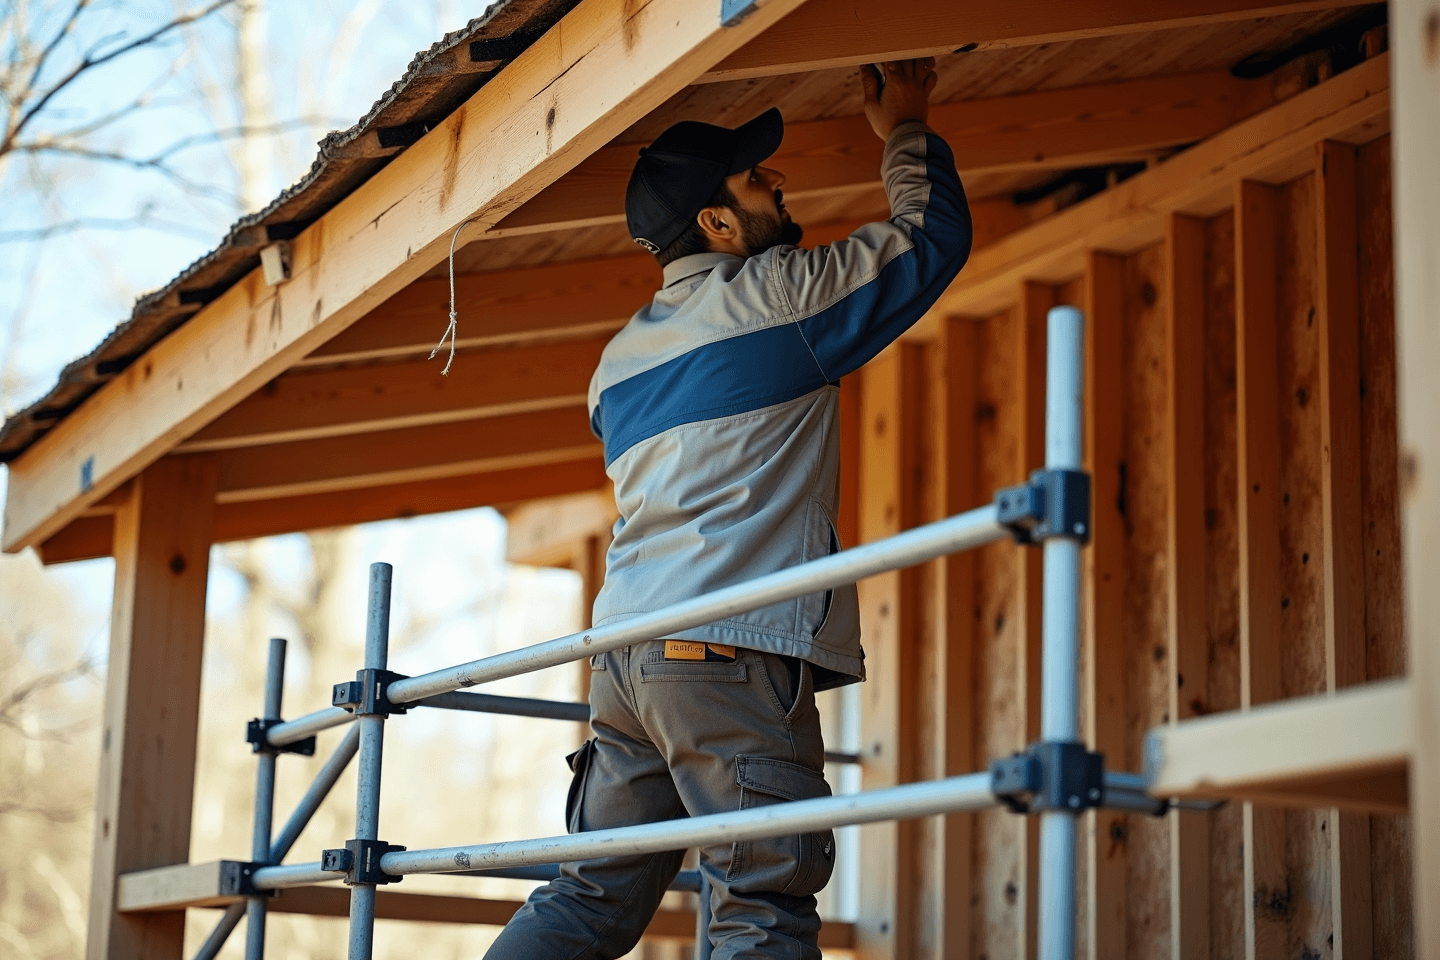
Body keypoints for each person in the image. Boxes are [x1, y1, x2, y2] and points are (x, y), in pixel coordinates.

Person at [485, 58, 970, 960]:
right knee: (761, 904)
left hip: (626, 661)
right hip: (727, 650)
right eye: (757, 179)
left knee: (590, 894)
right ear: (716, 221)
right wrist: (906, 125)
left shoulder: (614, 368)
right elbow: (931, 239)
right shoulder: (780, 301)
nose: (776, 182)